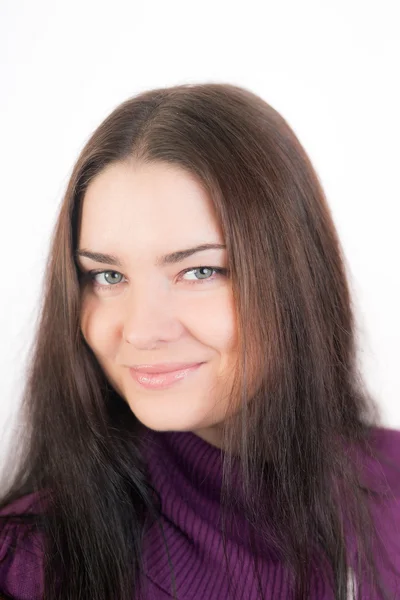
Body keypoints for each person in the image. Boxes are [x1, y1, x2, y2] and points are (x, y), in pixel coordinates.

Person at [0, 83, 399, 600]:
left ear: (297, 279)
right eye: (107, 276)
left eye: (200, 270)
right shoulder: (30, 564)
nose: (141, 330)